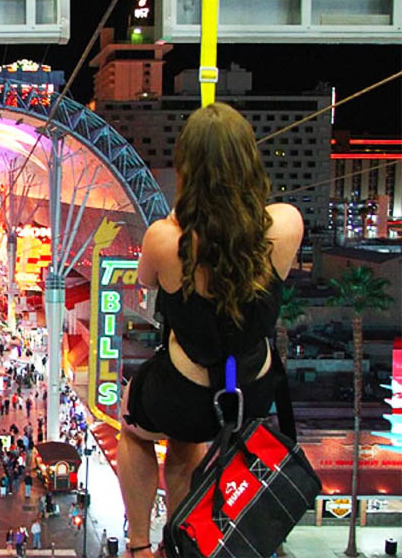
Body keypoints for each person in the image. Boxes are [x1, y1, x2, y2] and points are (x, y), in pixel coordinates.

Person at [116, 103, 303, 558]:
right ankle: (190, 543)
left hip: (184, 388)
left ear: (187, 170)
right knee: (188, 442)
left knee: (134, 428)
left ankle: (141, 544)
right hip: (252, 388)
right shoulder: (285, 223)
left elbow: (145, 279)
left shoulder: (167, 238)